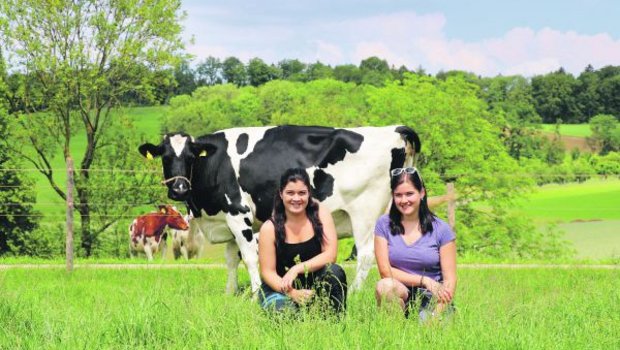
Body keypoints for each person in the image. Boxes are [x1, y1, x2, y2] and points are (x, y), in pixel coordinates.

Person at [258, 168, 347, 315]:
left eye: (302, 193)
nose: (296, 199)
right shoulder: (269, 228)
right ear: (281, 194)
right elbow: (268, 272)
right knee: (285, 315)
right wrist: (292, 293)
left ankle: (335, 325)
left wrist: (297, 269)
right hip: (280, 288)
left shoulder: (321, 213)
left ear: (309, 194)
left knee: (335, 271)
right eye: (290, 193)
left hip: (313, 286)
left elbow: (331, 255)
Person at [374, 167, 457, 321]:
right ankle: (395, 334)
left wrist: (436, 315)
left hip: (433, 297)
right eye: (398, 195)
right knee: (384, 286)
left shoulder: (442, 229)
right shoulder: (383, 224)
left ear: (422, 193)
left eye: (409, 194)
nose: (404, 200)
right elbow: (385, 272)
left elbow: (450, 280)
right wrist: (424, 280)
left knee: (429, 333)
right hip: (402, 293)